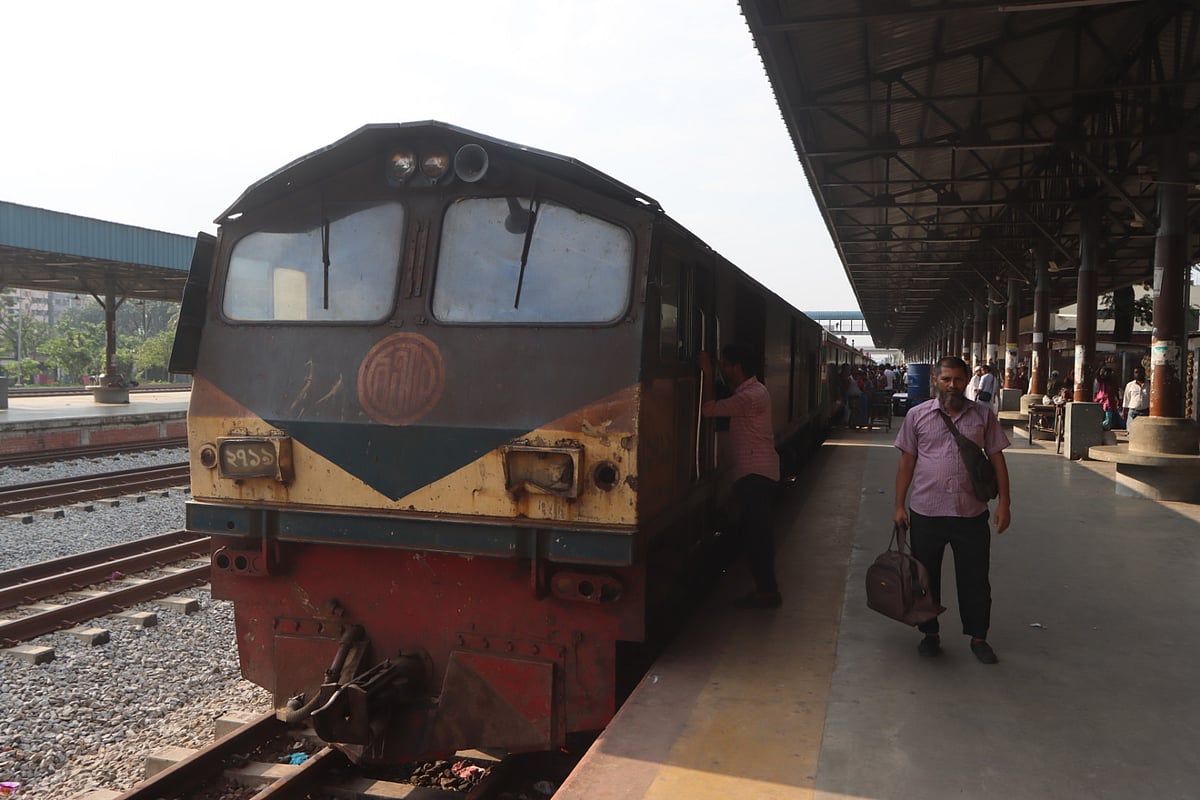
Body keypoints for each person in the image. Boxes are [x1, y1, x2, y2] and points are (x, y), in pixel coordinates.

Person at [893, 356, 1012, 664]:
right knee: (925, 579)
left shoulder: (983, 416)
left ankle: (978, 637)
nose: (952, 385)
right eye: (946, 379)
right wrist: (898, 505)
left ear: (967, 380)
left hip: (970, 514)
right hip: (926, 512)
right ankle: (930, 634)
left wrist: (1005, 504)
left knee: (975, 579)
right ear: (935, 379)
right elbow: (907, 462)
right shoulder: (917, 415)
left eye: (958, 379)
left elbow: (997, 459)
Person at [698, 344, 782, 609]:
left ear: (737, 367)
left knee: (758, 538)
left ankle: (767, 593)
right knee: (757, 535)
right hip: (756, 473)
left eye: (724, 364)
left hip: (755, 474)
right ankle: (765, 589)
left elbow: (709, 410)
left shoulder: (750, 397)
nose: (722, 368)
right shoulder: (754, 391)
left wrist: (706, 374)